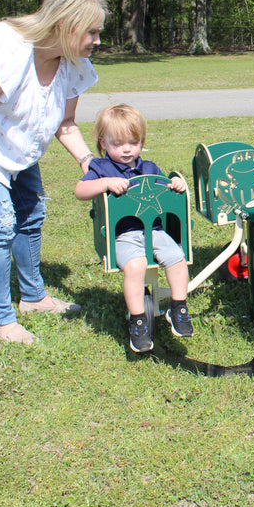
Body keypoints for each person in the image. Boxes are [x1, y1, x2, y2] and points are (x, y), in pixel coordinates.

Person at [0, 0, 108, 345]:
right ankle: (2, 321)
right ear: (64, 25)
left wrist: (88, 161)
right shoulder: (6, 47)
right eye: (91, 32)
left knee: (31, 214)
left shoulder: (71, 63)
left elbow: (64, 123)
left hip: (17, 143)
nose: (98, 40)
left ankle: (34, 298)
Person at [74, 104, 194, 353]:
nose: (127, 149)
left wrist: (175, 184)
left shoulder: (149, 168)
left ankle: (178, 307)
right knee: (136, 265)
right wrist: (105, 183)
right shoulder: (100, 168)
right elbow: (80, 191)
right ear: (103, 143)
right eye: (118, 143)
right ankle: (138, 320)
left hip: (155, 231)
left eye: (134, 142)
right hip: (124, 235)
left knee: (177, 257)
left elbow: (165, 187)